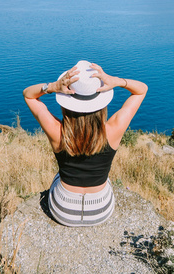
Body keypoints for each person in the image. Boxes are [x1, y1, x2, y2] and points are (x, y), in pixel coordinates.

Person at [23, 60, 148, 227]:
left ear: (66, 102)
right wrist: (117, 81)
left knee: (58, 177)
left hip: (62, 210)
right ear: (101, 103)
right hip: (101, 210)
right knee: (107, 181)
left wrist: (53, 87)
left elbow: (28, 94)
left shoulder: (57, 131)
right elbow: (141, 90)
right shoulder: (114, 129)